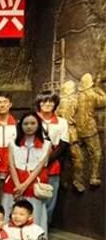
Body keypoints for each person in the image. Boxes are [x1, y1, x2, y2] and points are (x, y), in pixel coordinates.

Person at [2, 112, 51, 231]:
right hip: (13, 183)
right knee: (11, 211)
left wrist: (24, 186)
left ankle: (33, 239)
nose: (29, 126)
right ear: (20, 126)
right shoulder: (13, 143)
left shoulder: (46, 144)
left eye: (33, 123)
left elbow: (39, 167)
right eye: (26, 124)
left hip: (33, 183)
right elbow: (11, 166)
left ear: (38, 125)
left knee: (34, 213)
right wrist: (18, 185)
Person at [35, 92, 69, 224]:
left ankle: (45, 228)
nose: (47, 104)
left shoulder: (62, 122)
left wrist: (47, 161)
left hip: (53, 165)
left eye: (51, 101)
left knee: (50, 199)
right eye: (44, 101)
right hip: (32, 163)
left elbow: (63, 144)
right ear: (38, 103)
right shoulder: (32, 119)